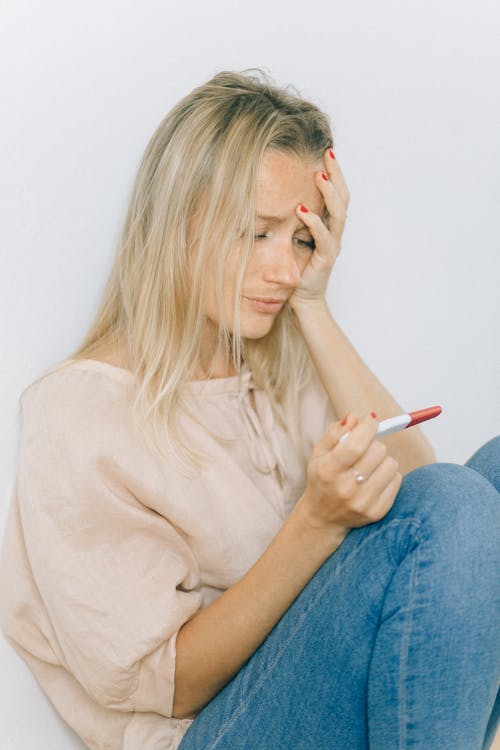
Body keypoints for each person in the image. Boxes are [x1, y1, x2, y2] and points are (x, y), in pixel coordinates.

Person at [0, 68, 498, 750]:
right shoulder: (79, 414)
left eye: (301, 239)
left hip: (310, 693)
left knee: (491, 474)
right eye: (257, 233)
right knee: (456, 506)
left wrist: (314, 309)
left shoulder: (270, 362)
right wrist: (316, 523)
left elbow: (418, 484)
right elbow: (167, 685)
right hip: (206, 733)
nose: (285, 271)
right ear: (177, 224)